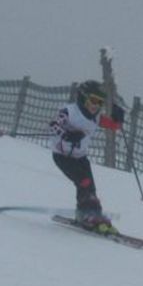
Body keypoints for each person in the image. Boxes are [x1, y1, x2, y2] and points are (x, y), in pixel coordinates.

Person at [49, 80, 126, 233]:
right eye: (93, 100)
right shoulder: (69, 112)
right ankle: (88, 214)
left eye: (100, 102)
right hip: (62, 156)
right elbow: (54, 125)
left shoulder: (95, 118)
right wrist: (67, 135)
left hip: (81, 158)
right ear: (83, 97)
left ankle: (91, 214)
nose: (96, 106)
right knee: (84, 182)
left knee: (89, 187)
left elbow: (114, 126)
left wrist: (118, 118)